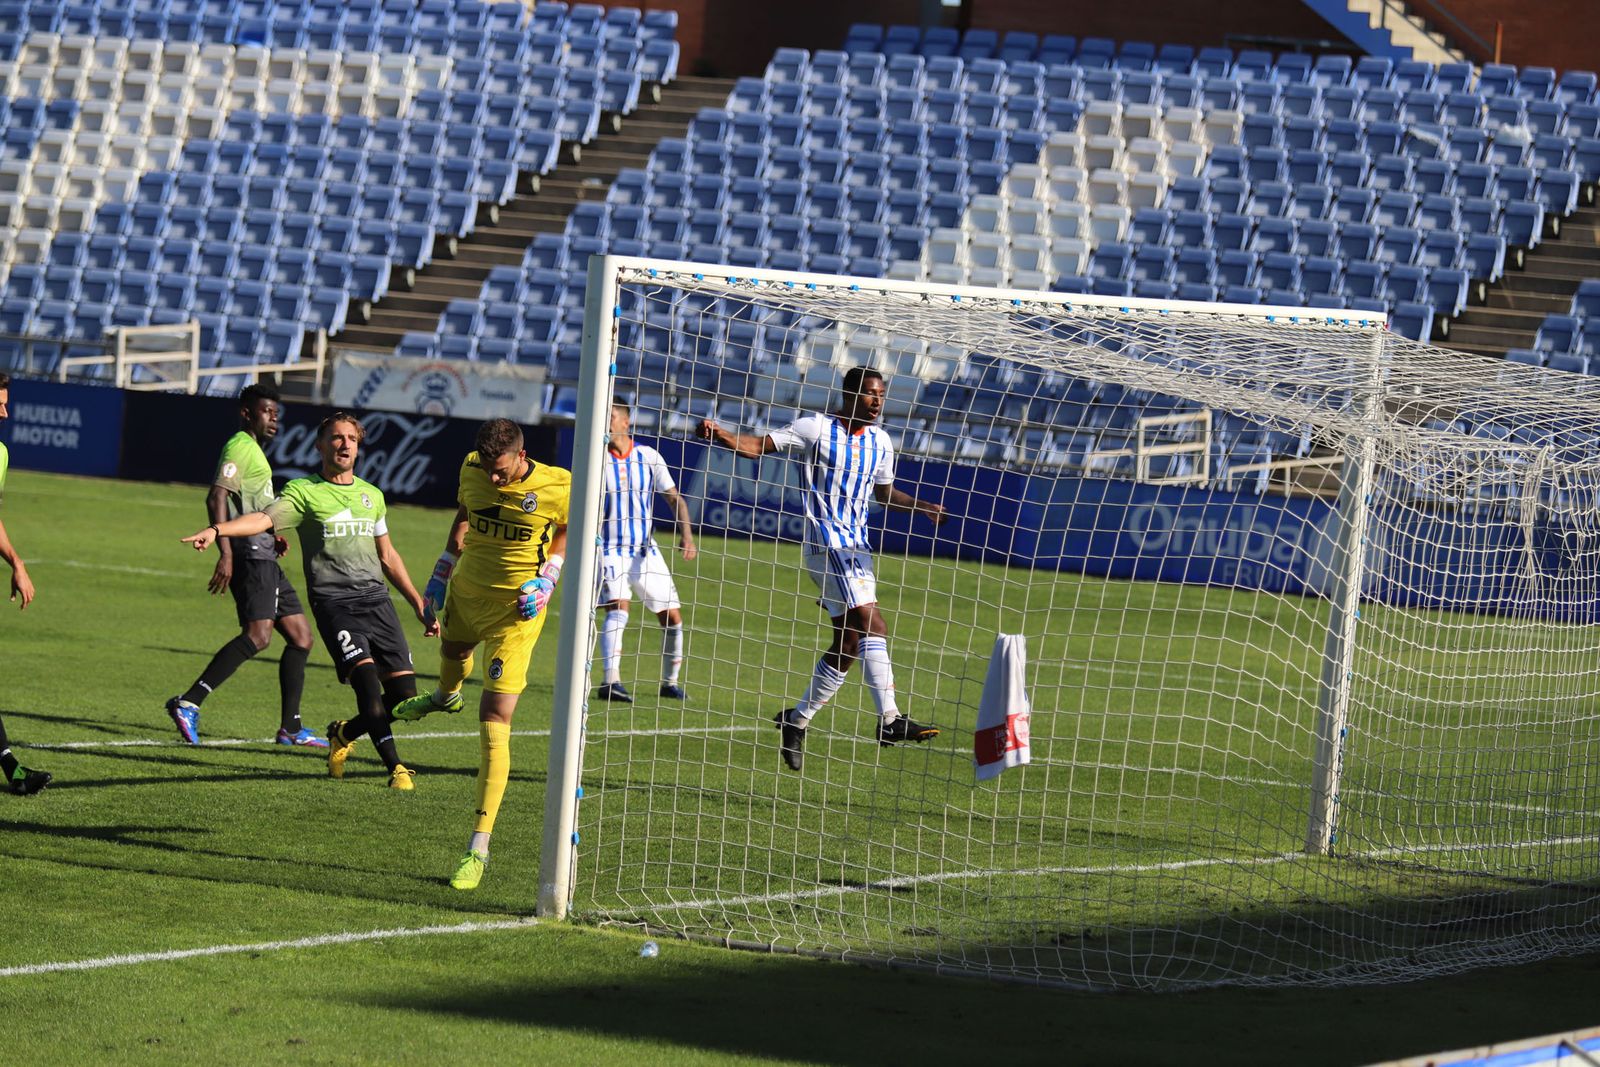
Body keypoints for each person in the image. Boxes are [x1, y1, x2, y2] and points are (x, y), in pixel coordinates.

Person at [700, 366, 948, 772]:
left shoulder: (882, 442)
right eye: (870, 394)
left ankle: (797, 721)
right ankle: (890, 720)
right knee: (874, 625)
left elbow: (883, 492)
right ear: (850, 395)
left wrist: (921, 507)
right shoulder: (814, 428)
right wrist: (723, 434)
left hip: (857, 548)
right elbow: (758, 446)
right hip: (825, 544)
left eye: (881, 395)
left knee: (850, 642)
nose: (877, 401)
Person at [182, 412, 437, 789]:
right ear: (320, 446)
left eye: (351, 438)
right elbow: (262, 520)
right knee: (368, 687)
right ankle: (396, 768)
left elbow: (388, 556)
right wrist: (218, 529)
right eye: (336, 438)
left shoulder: (372, 496)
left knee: (403, 697)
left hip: (378, 602)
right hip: (335, 604)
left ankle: (345, 733)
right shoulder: (305, 492)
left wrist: (417, 602)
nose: (345, 444)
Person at [393, 418, 570, 891]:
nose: (493, 478)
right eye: (488, 469)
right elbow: (465, 513)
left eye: (502, 469)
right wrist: (440, 571)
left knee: (494, 723)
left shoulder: (558, 484)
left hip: (517, 612)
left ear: (521, 453)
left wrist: (549, 577)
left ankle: (478, 847)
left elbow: (570, 530)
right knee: (452, 650)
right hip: (467, 594)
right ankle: (445, 696)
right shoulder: (471, 468)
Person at [164, 383, 324, 749]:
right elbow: (216, 495)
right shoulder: (240, 445)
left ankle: (291, 728)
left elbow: (253, 507)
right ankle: (189, 702)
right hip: (248, 555)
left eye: (276, 414)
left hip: (263, 550)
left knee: (301, 637)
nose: (273, 420)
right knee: (258, 635)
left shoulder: (254, 451)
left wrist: (272, 534)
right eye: (267, 412)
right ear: (247, 413)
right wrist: (227, 552)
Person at [594, 399, 697, 703]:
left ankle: (670, 683)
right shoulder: (596, 459)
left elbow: (675, 499)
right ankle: (610, 681)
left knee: (673, 616)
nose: (607, 421)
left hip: (644, 550)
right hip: (608, 548)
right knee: (619, 608)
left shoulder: (648, 457)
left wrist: (686, 536)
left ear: (626, 422)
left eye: (611, 416)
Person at [0, 372, 48, 795]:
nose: (5, 411)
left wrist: (16, 561)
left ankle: (12, 771)